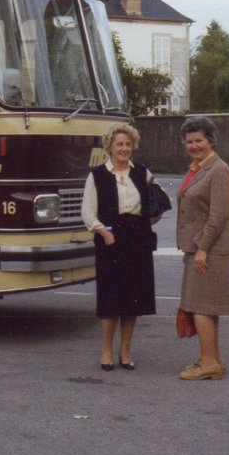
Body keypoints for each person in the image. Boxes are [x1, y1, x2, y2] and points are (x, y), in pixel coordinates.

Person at [81, 123, 163, 371]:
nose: (124, 148)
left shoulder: (141, 172)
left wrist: (152, 217)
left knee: (133, 300)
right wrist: (103, 232)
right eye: (119, 144)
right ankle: (106, 350)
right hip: (111, 240)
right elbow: (87, 211)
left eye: (128, 144)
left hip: (137, 240)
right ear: (110, 147)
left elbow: (158, 199)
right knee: (111, 300)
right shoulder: (97, 175)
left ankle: (125, 351)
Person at [175, 116, 229, 381]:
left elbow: (219, 216)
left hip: (212, 249)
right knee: (205, 306)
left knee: (200, 306)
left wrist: (201, 249)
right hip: (202, 247)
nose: (194, 145)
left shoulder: (218, 169)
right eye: (189, 141)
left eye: (199, 140)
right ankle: (211, 359)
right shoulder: (199, 168)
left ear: (211, 141)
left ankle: (210, 363)